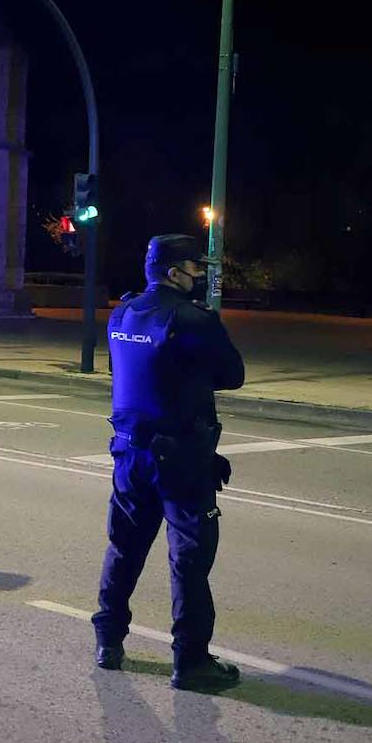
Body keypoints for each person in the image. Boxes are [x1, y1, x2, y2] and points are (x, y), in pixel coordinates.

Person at [92, 233, 245, 691]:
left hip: (129, 451)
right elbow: (233, 375)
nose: (200, 276)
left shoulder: (123, 312)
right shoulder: (194, 320)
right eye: (196, 269)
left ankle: (108, 642)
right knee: (190, 559)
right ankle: (191, 661)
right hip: (180, 457)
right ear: (175, 271)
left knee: (124, 548)